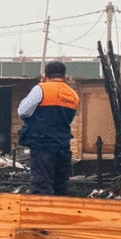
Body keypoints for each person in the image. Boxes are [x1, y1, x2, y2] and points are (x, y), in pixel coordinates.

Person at [17, 61, 80, 196]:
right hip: (63, 146)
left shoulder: (41, 89)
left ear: (45, 75)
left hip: (42, 145)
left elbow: (23, 112)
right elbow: (67, 119)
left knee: (42, 185)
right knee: (60, 186)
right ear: (65, 77)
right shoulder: (73, 95)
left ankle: (41, 214)